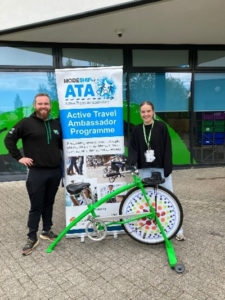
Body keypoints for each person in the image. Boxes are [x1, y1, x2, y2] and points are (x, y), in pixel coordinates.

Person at [4, 93, 63, 255]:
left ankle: (46, 231)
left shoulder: (56, 124)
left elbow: (63, 145)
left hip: (55, 171)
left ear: (50, 106)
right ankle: (31, 236)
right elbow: (9, 140)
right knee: (36, 206)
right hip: (37, 172)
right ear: (34, 105)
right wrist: (19, 157)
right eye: (40, 104)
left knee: (49, 203)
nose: (43, 106)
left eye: (46, 104)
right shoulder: (26, 123)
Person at [128, 100, 185, 241]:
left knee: (169, 199)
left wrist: (167, 169)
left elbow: (167, 148)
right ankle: (149, 228)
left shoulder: (161, 127)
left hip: (160, 168)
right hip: (144, 169)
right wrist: (132, 164)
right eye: (143, 112)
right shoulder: (136, 130)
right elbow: (133, 149)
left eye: (148, 111)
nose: (146, 114)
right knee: (146, 200)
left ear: (153, 112)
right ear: (140, 113)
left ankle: (177, 229)